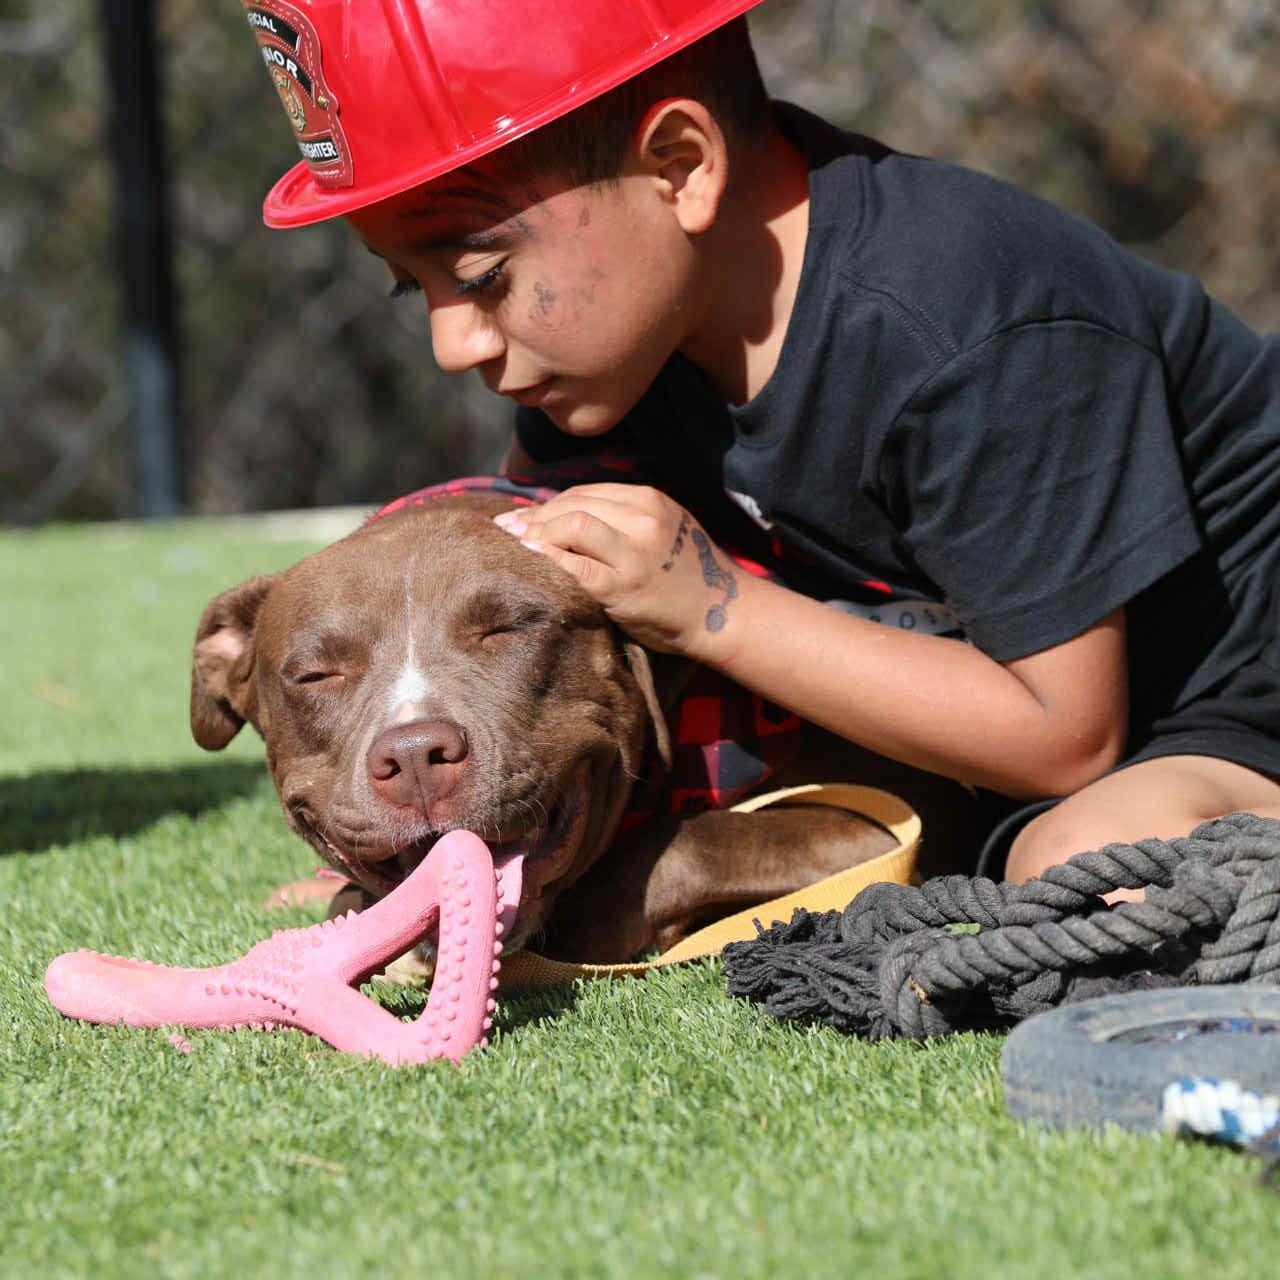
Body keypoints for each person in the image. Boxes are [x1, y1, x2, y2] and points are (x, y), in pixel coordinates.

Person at [244, 0, 1280, 882]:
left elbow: (1063, 738)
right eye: (410, 286)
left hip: (1228, 698)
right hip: (1070, 745)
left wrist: (713, 608)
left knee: (1092, 870)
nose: (449, 341)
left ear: (680, 167)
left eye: (480, 279)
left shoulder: (964, 323)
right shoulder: (619, 366)